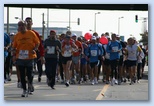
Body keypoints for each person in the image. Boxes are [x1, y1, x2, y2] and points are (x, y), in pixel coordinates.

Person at [12, 20, 40, 97]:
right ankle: (24, 89)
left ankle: (30, 83)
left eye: (22, 25)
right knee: (22, 74)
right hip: (20, 57)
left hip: (30, 57)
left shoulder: (31, 33)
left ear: (25, 26)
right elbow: (14, 46)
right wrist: (13, 51)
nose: (21, 27)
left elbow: (37, 42)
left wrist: (35, 49)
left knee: (29, 73)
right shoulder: (17, 35)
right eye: (19, 25)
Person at [25, 17, 45, 82]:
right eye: (27, 21)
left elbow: (40, 44)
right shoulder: (21, 33)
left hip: (35, 52)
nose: (28, 23)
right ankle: (26, 79)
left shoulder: (35, 33)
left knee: (38, 66)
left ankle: (38, 75)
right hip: (24, 53)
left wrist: (42, 55)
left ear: (32, 23)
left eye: (29, 21)